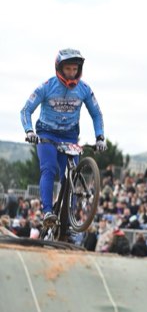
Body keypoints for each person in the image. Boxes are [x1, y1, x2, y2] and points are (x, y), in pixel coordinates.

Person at [20, 49, 106, 227]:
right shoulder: (46, 86)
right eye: (68, 69)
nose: (72, 73)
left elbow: (96, 114)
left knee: (71, 176)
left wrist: (100, 137)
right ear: (59, 68)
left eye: (75, 69)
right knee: (49, 169)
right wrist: (29, 131)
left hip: (69, 136)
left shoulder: (84, 89)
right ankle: (48, 212)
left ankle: (68, 220)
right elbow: (26, 110)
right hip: (47, 134)